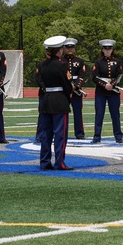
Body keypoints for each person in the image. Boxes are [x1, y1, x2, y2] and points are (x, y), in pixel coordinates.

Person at [39, 35, 74, 170]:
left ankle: (44, 161)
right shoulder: (61, 65)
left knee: (46, 134)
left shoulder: (42, 65)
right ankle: (60, 162)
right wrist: (69, 97)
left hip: (47, 100)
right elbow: (67, 85)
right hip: (59, 101)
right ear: (59, 50)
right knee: (60, 134)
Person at [91, 39, 123, 143]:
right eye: (106, 49)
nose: (107, 51)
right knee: (99, 114)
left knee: (115, 114)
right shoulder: (98, 62)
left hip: (113, 92)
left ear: (112, 49)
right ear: (103, 50)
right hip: (101, 91)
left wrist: (112, 84)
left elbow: (119, 74)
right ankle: (97, 137)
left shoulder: (117, 61)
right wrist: (105, 85)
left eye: (109, 49)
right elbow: (94, 77)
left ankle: (118, 136)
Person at [63, 38, 88, 140]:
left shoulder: (79, 61)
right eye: (68, 47)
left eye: (71, 47)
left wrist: (76, 86)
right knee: (63, 113)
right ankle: (63, 133)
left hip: (76, 90)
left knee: (78, 113)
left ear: (74, 48)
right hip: (64, 91)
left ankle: (80, 134)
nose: (70, 49)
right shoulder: (61, 60)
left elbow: (82, 75)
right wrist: (67, 86)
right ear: (64, 48)